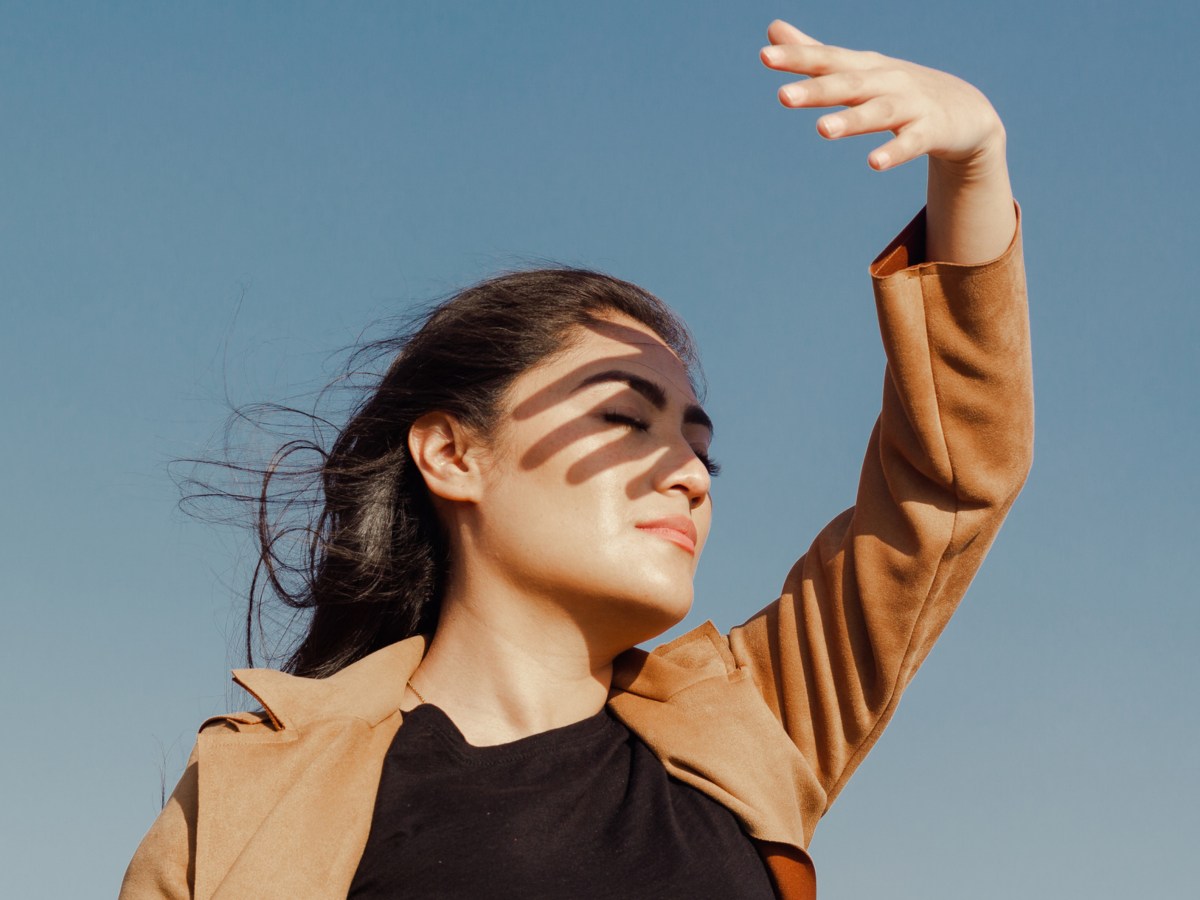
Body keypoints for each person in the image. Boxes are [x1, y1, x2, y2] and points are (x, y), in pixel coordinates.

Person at [121, 19, 1033, 900]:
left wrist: (974, 168)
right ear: (451, 453)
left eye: (700, 453)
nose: (685, 474)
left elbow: (948, 482)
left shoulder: (754, 720)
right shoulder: (257, 787)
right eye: (627, 421)